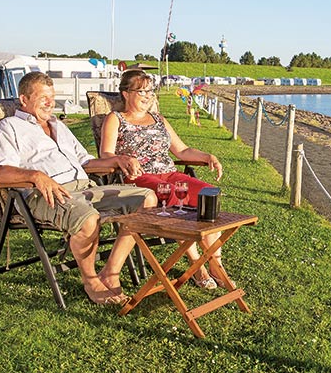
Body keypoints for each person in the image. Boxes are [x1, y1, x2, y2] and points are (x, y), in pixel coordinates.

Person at [0, 72, 156, 306]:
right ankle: (91, 281)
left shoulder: (58, 125)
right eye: (43, 97)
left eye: (52, 96)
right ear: (24, 99)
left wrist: (118, 160)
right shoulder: (9, 127)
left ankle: (111, 271)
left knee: (147, 199)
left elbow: (85, 162)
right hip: (46, 194)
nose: (50, 102)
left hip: (85, 187)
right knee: (88, 219)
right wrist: (36, 176)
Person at [99, 69, 236, 291]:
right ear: (126, 93)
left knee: (208, 195)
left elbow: (182, 150)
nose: (147, 96)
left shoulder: (158, 119)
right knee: (172, 195)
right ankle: (197, 266)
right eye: (142, 91)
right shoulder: (116, 119)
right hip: (140, 177)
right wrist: (122, 159)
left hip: (169, 173)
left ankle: (215, 264)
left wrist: (207, 157)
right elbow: (105, 154)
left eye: (150, 91)